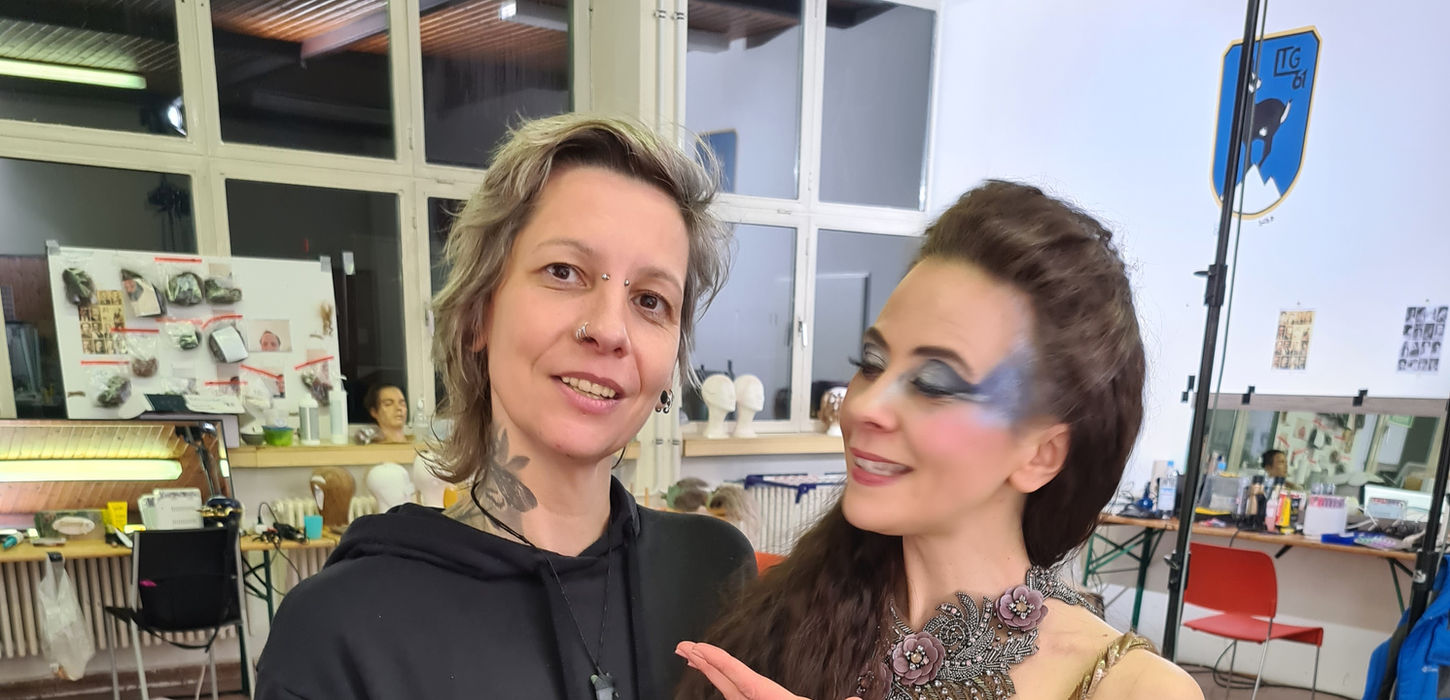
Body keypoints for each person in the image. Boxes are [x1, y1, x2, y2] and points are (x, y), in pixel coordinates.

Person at [255, 115, 753, 700]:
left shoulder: (714, 574)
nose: (609, 330)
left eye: (650, 300)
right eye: (564, 272)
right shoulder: (339, 633)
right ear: (478, 315)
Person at [676, 181, 1201, 700]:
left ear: (1040, 455)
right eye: (871, 364)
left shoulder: (1132, 688)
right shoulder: (780, 621)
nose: (864, 406)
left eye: (933, 384)